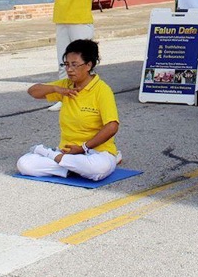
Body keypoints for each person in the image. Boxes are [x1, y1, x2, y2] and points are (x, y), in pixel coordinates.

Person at [17, 39, 121, 181]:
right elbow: (33, 91)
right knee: (25, 165)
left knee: (98, 169)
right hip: (67, 152)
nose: (69, 69)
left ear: (88, 65)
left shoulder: (102, 90)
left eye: (74, 65)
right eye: (66, 64)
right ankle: (72, 166)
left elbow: (112, 126)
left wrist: (83, 148)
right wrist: (55, 88)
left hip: (97, 152)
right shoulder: (66, 85)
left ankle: (53, 156)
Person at [35, 0, 101, 111]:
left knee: (83, 62)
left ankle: (88, 96)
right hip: (62, 20)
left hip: (80, 22)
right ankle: (64, 97)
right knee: (64, 61)